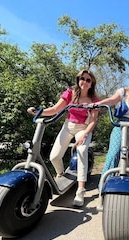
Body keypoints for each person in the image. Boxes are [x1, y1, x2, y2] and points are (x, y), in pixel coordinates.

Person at [27, 69, 99, 207]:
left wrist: (85, 134)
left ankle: (80, 190)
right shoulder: (70, 93)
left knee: (82, 151)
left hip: (83, 128)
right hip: (68, 126)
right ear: (78, 80)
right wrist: (38, 112)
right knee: (54, 157)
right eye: (82, 78)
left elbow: (93, 121)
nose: (84, 82)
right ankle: (61, 175)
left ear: (92, 83)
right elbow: (55, 109)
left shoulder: (94, 100)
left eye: (88, 80)